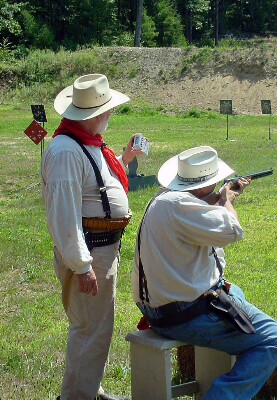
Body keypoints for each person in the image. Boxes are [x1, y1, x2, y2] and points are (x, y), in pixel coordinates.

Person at [131, 146, 277, 400]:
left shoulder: (166, 199)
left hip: (161, 310)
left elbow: (198, 213)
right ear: (208, 183)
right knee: (276, 340)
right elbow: (232, 230)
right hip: (183, 315)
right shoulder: (180, 206)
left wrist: (217, 199)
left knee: (235, 293)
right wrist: (226, 199)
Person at [42, 74, 145, 400]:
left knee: (97, 329)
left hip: (101, 250)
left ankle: (89, 390)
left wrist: (125, 161)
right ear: (95, 114)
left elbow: (98, 185)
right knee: (89, 330)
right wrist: (82, 265)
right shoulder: (65, 152)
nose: (111, 115)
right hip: (90, 252)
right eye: (108, 110)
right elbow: (64, 216)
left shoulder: (86, 144)